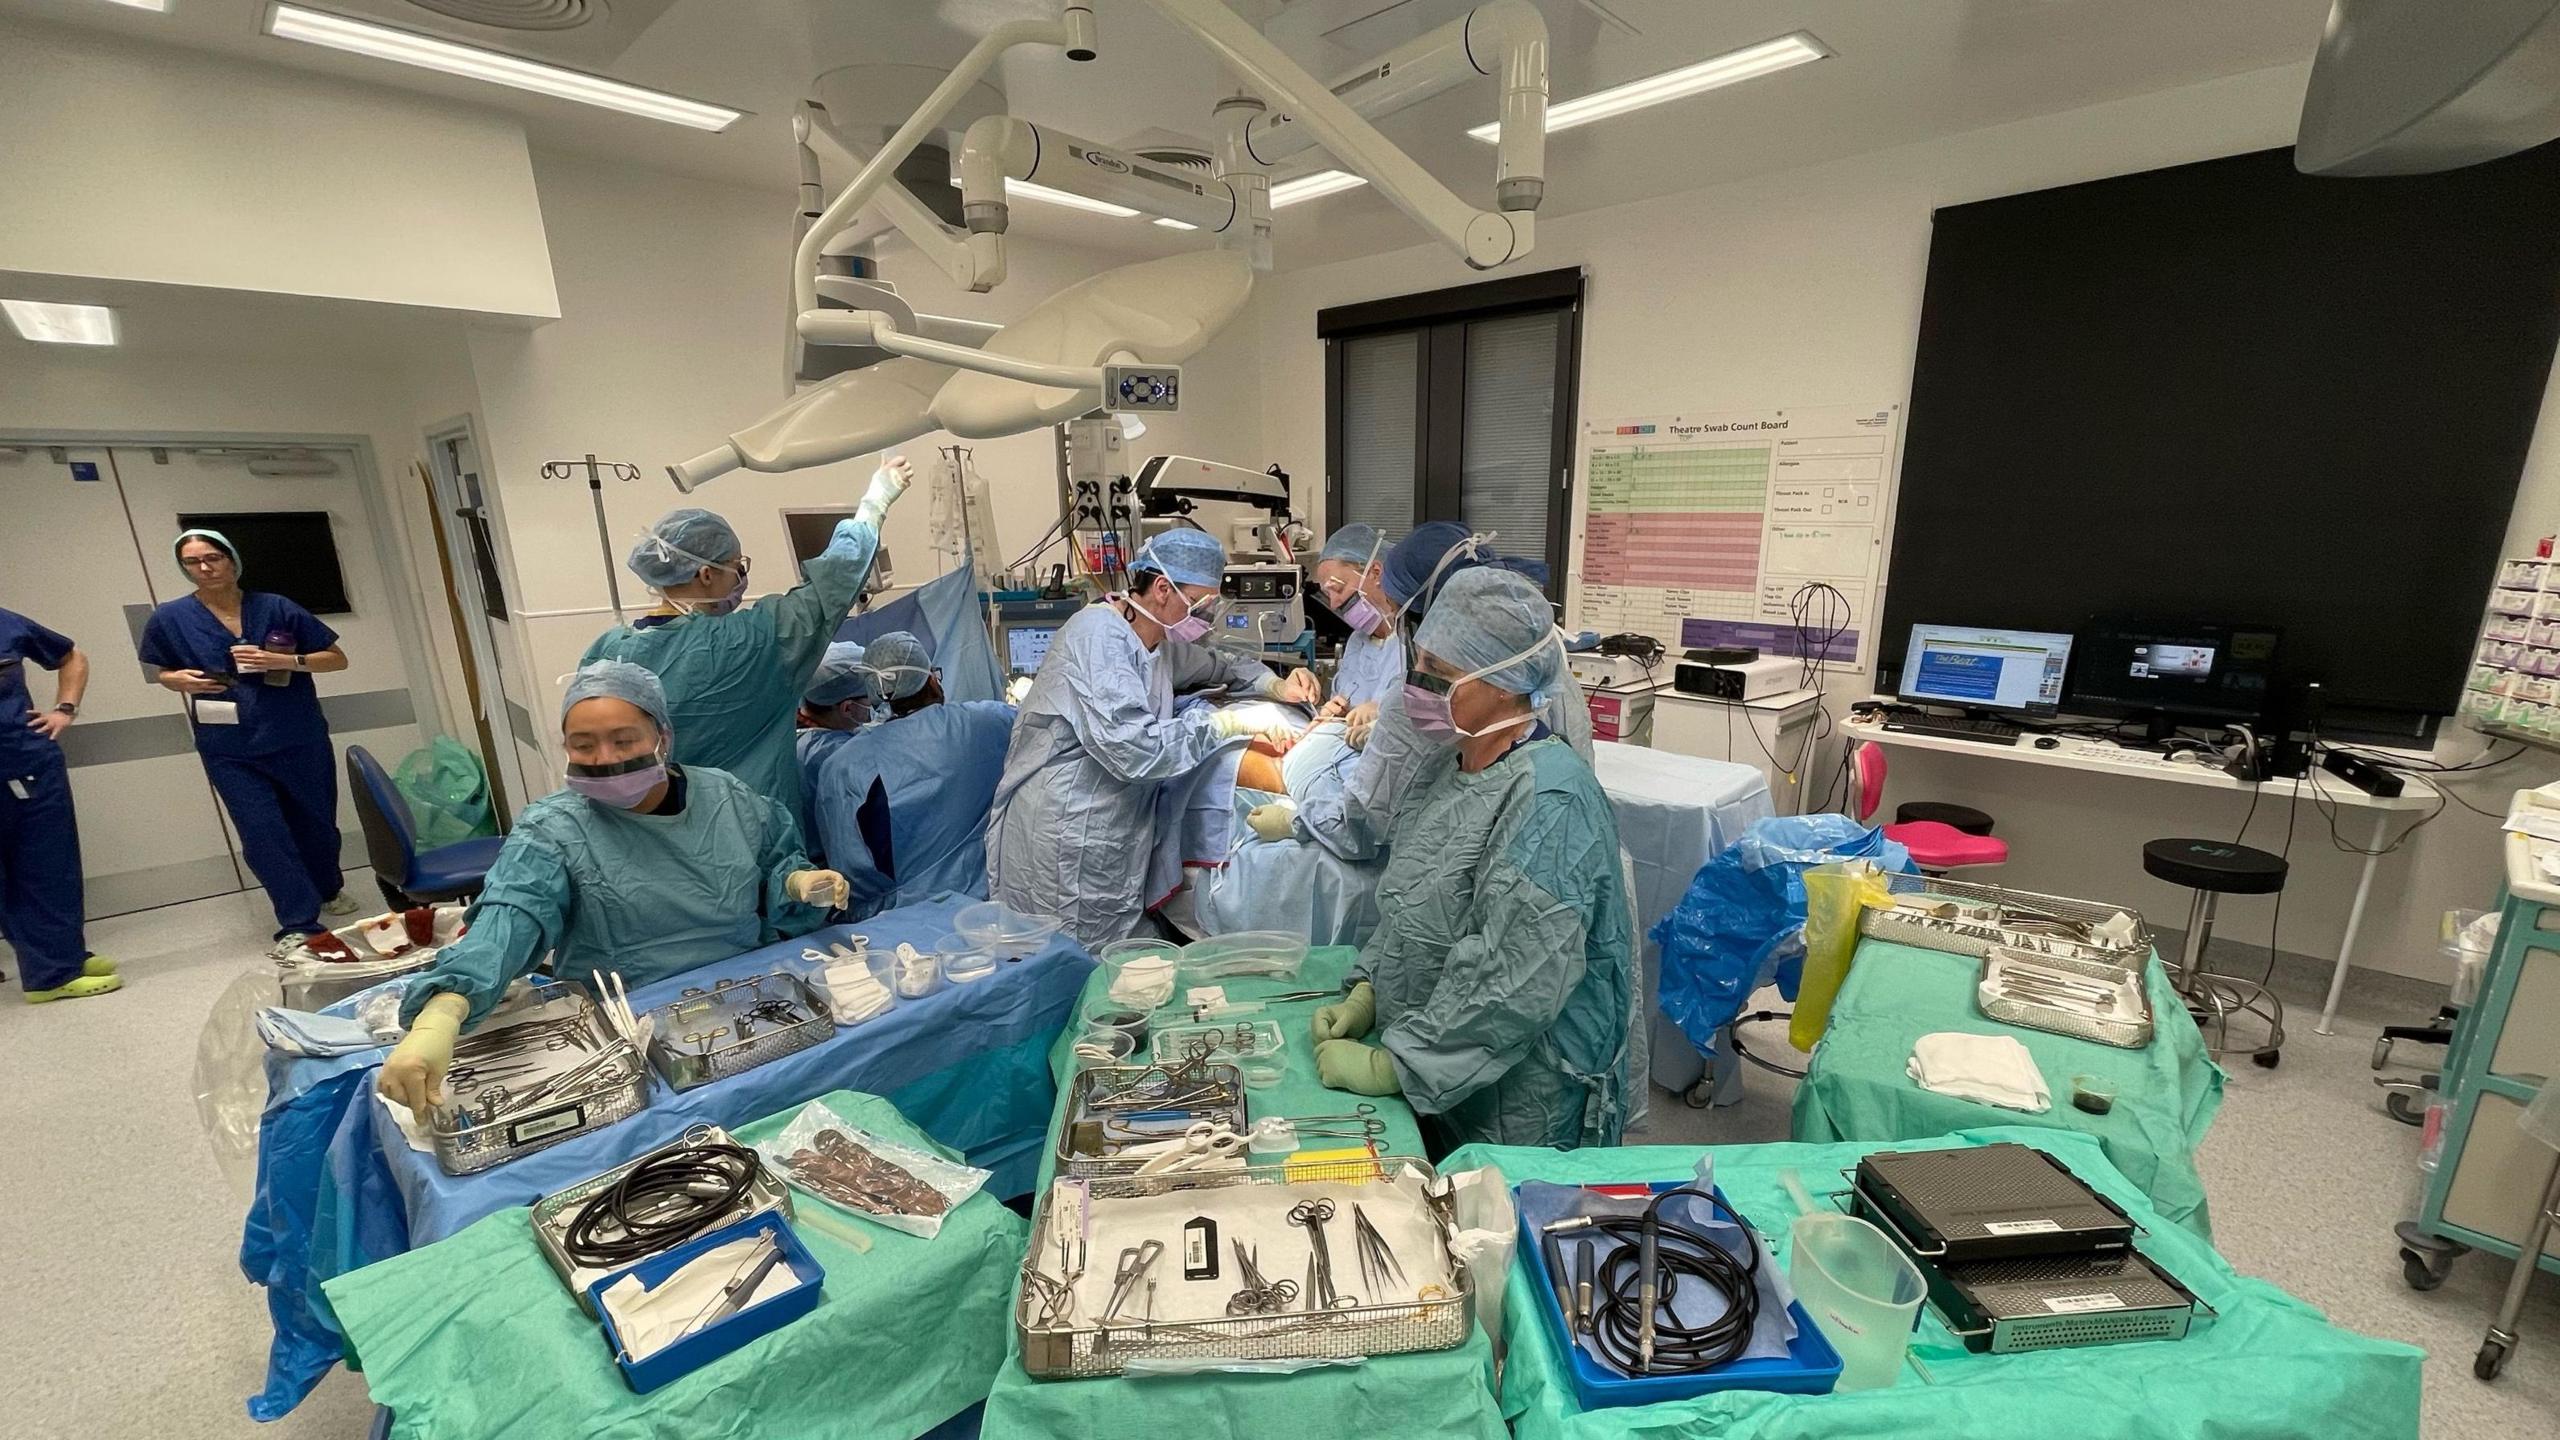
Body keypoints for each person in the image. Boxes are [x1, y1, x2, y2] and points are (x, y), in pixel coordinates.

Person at [378, 661, 846, 1113]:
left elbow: (774, 864)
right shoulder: (552, 830)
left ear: (663, 738)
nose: (605, 760)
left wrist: (799, 882)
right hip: (626, 1020)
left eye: (625, 740)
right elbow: (509, 917)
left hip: (748, 995)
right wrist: (443, 1011)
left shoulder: (726, 796)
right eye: (583, 746)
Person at [1310, 566, 1637, 1151]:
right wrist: (1372, 991)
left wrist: (1398, 1067)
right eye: (1420, 662)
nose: (1417, 683)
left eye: (1439, 672)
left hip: (1520, 1095)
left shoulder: (1550, 803)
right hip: (1436, 1055)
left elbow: (1514, 981)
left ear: (1505, 684)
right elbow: (1412, 902)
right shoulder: (1446, 764)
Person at [988, 528, 1296, 947]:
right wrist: (1228, 725)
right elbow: (1137, 750)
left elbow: (1218, 666)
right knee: (1065, 955)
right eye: (1202, 602)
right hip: (1067, 827)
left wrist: (1275, 686)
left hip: (1117, 826)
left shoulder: (1157, 641)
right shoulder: (1098, 638)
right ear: (1164, 589)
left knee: (1114, 955)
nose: (1208, 614)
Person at [582, 458, 910, 845]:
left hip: (652, 848)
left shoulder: (605, 655)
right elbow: (831, 585)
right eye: (737, 568)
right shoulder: (749, 643)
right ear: (706, 575)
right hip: (751, 848)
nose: (741, 578)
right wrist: (875, 502)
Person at [1276, 525, 1592, 857]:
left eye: (1397, 609)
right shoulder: (1539, 655)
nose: (1395, 622)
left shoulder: (1431, 694)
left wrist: (1299, 821)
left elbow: (1362, 826)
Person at [140, 529, 357, 956]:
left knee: (315, 826)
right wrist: (175, 680)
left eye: (213, 558)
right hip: (229, 747)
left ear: (233, 560)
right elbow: (161, 670)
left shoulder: (276, 607)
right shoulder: (169, 618)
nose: (205, 568)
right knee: (263, 833)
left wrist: (284, 661)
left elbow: (337, 658)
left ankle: (327, 886)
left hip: (297, 736)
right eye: (192, 562)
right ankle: (298, 921)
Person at [805, 630, 1018, 917]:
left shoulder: (843, 765)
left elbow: (851, 877)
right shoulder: (989, 722)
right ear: (930, 678)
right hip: (986, 907)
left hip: (894, 922)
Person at [1243, 523, 1403, 837]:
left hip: (1373, 786)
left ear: (1375, 573)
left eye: (1338, 587)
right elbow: (1346, 704)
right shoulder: (1358, 642)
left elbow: (1424, 716)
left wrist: (1385, 710)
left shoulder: (1415, 645)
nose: (1333, 604)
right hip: (1335, 763)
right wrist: (1334, 710)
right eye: (1327, 592)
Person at [0, 609, 116, 1002]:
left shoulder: (5, 623)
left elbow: (70, 656)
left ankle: (61, 961)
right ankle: (50, 969)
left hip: (25, 760)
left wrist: (64, 710)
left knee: (48, 866)